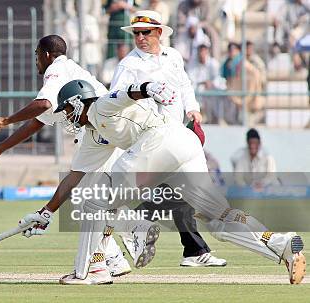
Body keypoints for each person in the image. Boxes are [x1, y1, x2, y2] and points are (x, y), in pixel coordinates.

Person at [18, 79, 306, 285]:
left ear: (79, 101)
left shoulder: (100, 106)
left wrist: (148, 88)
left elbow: (127, 93)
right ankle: (281, 245)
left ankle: (90, 271)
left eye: (68, 110)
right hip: (183, 146)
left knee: (96, 201)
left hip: (161, 140)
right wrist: (46, 213)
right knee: (219, 221)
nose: (67, 118)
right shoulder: (93, 136)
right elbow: (74, 176)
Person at [0, 35, 135, 282]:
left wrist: (6, 120)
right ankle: (113, 260)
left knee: (90, 204)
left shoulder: (56, 70)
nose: (35, 62)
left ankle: (97, 266)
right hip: (101, 136)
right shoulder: (70, 73)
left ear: (45, 55)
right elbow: (39, 120)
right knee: (88, 201)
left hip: (103, 136)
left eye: (36, 56)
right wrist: (1, 147)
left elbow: (42, 104)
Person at [109, 10, 226, 266]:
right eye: (136, 34)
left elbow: (184, 85)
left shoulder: (173, 56)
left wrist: (192, 107)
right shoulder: (129, 65)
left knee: (182, 192)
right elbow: (113, 98)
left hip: (176, 135)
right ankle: (141, 226)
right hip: (150, 139)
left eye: (145, 33)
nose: (140, 38)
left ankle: (192, 250)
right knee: (186, 191)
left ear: (159, 33)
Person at [187, 44, 229, 124]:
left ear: (207, 52)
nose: (202, 54)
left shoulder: (213, 63)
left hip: (212, 90)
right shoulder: (192, 64)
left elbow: (218, 78)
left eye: (204, 51)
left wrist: (211, 83)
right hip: (198, 91)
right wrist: (203, 83)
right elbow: (190, 80)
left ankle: (218, 118)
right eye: (200, 51)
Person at [64, 2, 101, 75]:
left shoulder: (91, 19)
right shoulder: (70, 22)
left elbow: (95, 37)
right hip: (76, 57)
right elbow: (73, 39)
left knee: (92, 80)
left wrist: (84, 30)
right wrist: (84, 38)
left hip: (90, 56)